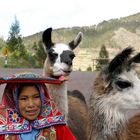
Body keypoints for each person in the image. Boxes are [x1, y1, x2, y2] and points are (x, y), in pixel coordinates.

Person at [0, 72, 76, 140]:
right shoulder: (3, 131)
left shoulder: (57, 128)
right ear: (13, 101)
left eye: (36, 97)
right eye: (24, 99)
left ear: (43, 98)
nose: (31, 104)